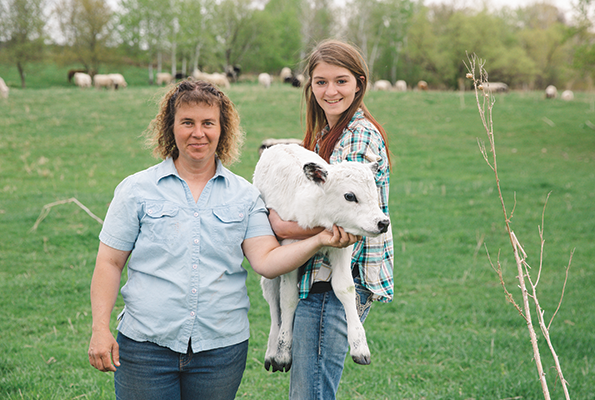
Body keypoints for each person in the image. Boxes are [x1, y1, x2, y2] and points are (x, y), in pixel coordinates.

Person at [87, 79, 358, 400]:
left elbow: (267, 261)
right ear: (170, 128)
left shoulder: (245, 196)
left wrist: (319, 239)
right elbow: (109, 261)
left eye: (208, 123)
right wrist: (99, 329)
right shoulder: (136, 190)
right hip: (146, 349)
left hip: (219, 352)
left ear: (222, 129)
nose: (197, 133)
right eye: (187, 122)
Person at [268, 39, 394, 399]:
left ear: (359, 82)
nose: (330, 91)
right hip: (318, 274)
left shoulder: (358, 136)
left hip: (334, 280)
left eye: (341, 81)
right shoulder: (326, 133)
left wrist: (279, 226)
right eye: (321, 82)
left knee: (310, 393)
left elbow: (347, 226)